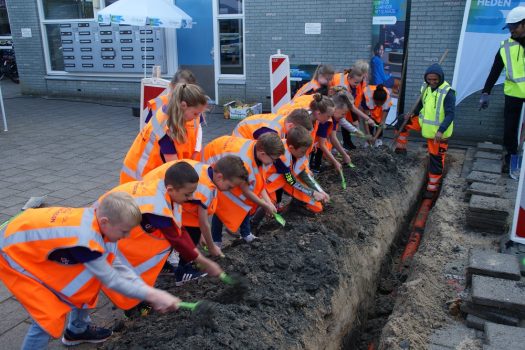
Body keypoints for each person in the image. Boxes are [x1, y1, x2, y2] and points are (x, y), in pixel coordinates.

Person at [0, 192, 182, 349]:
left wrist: (149, 293)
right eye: (125, 231)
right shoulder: (86, 240)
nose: (127, 236)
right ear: (105, 222)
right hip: (12, 252)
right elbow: (112, 280)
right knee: (46, 316)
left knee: (86, 280)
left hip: (33, 241)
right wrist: (154, 295)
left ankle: (78, 329)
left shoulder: (101, 224)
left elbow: (116, 264)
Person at [99, 163, 223, 307]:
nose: (190, 198)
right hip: (104, 227)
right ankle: (132, 306)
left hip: (110, 220)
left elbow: (179, 230)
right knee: (101, 270)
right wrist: (206, 263)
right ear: (171, 189)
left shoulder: (166, 193)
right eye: (187, 194)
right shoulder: (158, 205)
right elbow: (177, 239)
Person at [143, 156, 249, 265]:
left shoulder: (207, 172)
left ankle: (176, 261)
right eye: (230, 186)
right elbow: (204, 223)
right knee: (183, 234)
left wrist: (201, 236)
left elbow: (196, 215)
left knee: (192, 232)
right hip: (156, 192)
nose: (230, 190)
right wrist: (212, 247)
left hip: (157, 183)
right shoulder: (206, 189)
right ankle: (183, 266)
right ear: (219, 177)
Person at [202, 133, 283, 246]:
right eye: (273, 159)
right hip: (212, 158)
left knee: (244, 202)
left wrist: (268, 202)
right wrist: (265, 205)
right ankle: (216, 241)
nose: (274, 162)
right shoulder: (246, 163)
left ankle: (246, 234)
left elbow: (258, 183)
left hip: (227, 157)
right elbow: (246, 191)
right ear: (263, 153)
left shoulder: (258, 152)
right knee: (221, 204)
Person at [120, 84, 208, 184]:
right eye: (196, 113)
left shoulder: (187, 114)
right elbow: (176, 170)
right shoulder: (164, 130)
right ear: (183, 106)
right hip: (139, 179)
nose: (198, 117)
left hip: (156, 173)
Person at [394, 63, 455, 195]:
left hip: (438, 133)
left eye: (435, 80)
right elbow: (421, 104)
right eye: (429, 79)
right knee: (402, 121)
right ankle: (400, 149)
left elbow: (450, 114)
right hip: (424, 124)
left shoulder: (448, 93)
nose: (432, 82)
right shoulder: (426, 87)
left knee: (435, 159)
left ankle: (432, 188)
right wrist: (413, 113)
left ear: (441, 78)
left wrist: (441, 130)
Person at [480, 6, 525, 173]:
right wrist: (486, 91)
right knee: (510, 130)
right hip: (513, 95)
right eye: (510, 27)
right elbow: (495, 70)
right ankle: (510, 159)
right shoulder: (506, 47)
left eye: (515, 27)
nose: (511, 30)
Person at [330, 63, 368, 150]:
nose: (357, 85)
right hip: (334, 103)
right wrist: (366, 119)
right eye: (356, 83)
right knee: (331, 129)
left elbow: (343, 120)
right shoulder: (342, 86)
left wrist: (356, 130)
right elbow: (350, 109)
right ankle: (334, 147)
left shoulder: (357, 81)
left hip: (341, 105)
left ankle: (335, 147)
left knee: (336, 125)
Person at [232, 108, 312, 139]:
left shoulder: (285, 121)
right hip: (240, 140)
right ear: (290, 125)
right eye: (298, 132)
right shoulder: (271, 131)